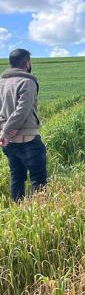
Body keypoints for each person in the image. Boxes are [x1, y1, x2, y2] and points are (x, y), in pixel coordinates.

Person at [0, 48, 47, 202]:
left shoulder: (1, 83)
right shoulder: (28, 82)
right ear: (27, 62)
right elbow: (23, 109)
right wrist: (7, 130)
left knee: (17, 178)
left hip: (9, 143)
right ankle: (39, 213)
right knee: (38, 180)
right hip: (28, 140)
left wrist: (4, 129)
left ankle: (19, 212)